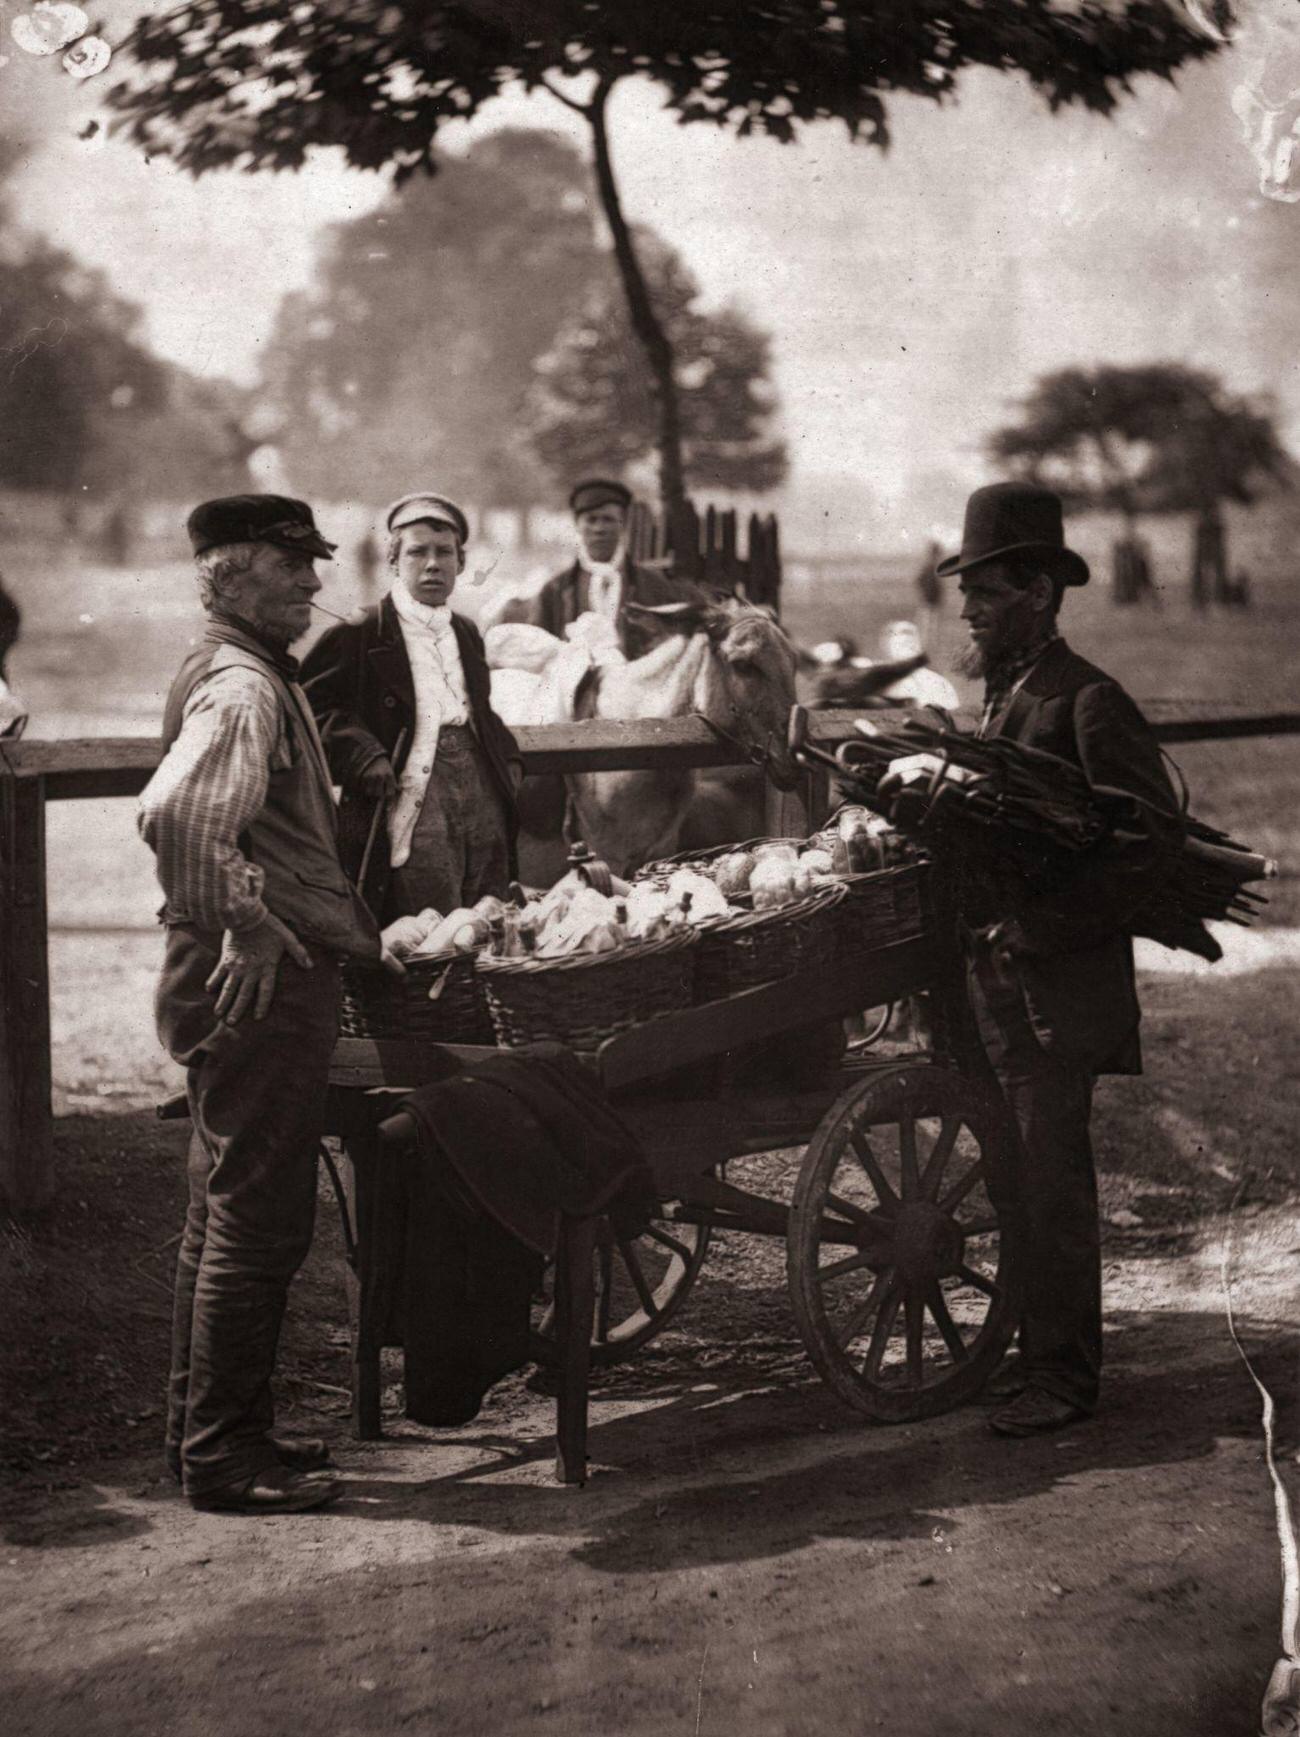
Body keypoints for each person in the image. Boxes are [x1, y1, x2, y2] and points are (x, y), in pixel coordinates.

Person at [139, 493, 390, 1514]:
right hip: (259, 984)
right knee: (256, 1220)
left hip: (236, 984)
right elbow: (178, 817)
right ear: (231, 571)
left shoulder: (233, 667)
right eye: (293, 565)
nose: (313, 582)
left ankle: (206, 1439)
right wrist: (244, 922)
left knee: (219, 1214)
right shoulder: (243, 687)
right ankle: (222, 1459)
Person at [932, 481, 1181, 1438]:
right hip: (997, 990)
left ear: (1037, 592)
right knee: (1015, 1180)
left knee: (1053, 1182)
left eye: (987, 591)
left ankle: (1066, 1376)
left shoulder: (1088, 701)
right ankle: (1039, 1359)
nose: (968, 608)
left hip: (1051, 987)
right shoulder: (1007, 698)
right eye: (969, 590)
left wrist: (1040, 929)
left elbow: (1147, 845)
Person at [301, 492, 523, 921]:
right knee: (428, 921)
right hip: (410, 793)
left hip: (479, 790)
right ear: (392, 562)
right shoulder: (364, 630)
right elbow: (309, 706)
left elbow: (479, 710)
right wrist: (362, 753)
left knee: (487, 909)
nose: (433, 564)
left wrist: (508, 759)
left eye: (445, 553)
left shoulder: (466, 631)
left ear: (460, 562)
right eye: (418, 552)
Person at [497, 477, 686, 661]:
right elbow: (537, 651)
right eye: (591, 520)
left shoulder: (655, 587)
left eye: (608, 519)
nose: (599, 529)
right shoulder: (555, 590)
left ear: (624, 524)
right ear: (577, 525)